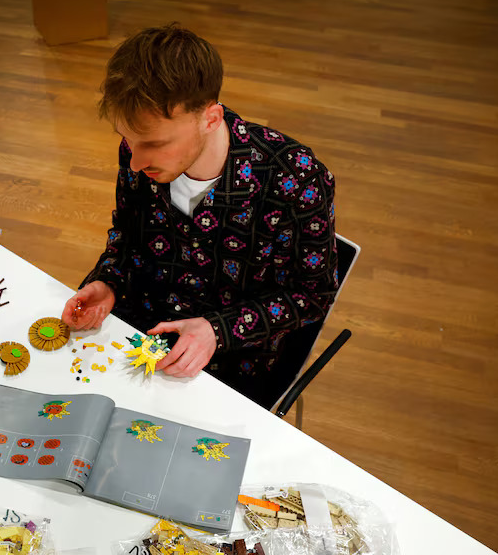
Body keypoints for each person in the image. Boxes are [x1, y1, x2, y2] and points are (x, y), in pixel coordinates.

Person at [61, 24, 339, 407]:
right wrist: (109, 279)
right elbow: (127, 235)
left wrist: (216, 330)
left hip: (231, 363)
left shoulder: (296, 178)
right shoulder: (139, 152)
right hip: (140, 331)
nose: (137, 161)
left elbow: (313, 294)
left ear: (211, 119)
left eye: (155, 144)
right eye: (127, 139)